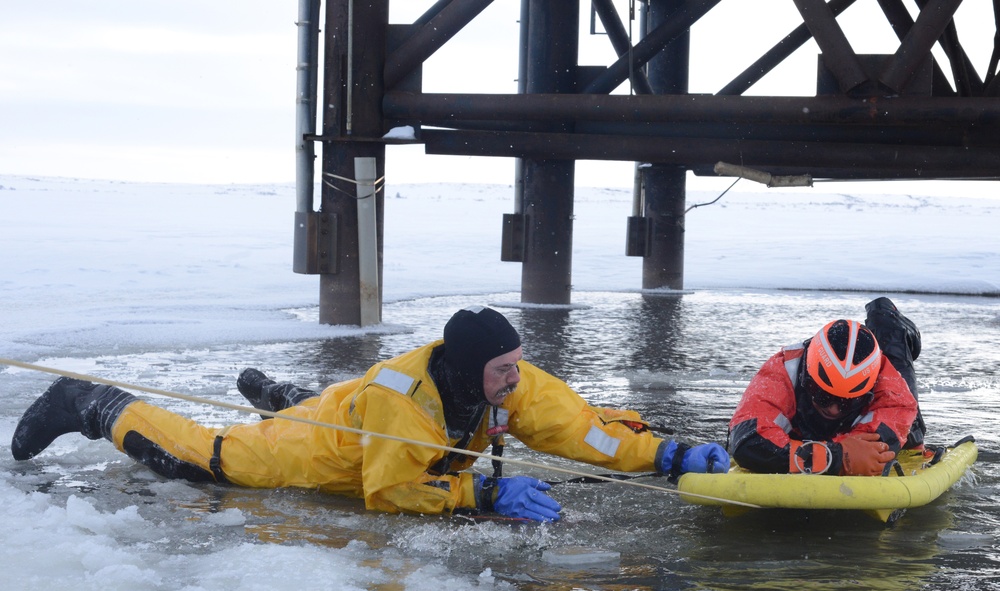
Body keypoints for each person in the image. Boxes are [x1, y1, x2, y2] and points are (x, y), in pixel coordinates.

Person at [11, 305, 729, 522]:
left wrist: (664, 453)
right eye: (504, 369)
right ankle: (93, 402)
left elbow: (583, 429)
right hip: (323, 449)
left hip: (357, 414)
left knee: (335, 406)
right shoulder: (403, 402)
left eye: (517, 365)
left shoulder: (504, 377)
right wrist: (483, 490)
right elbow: (391, 490)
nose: (516, 379)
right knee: (216, 458)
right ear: (470, 366)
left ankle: (281, 393)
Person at [728, 297, 924, 476]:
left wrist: (815, 457)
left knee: (912, 434)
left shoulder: (893, 392)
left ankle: (890, 322)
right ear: (807, 376)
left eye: (847, 401)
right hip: (810, 432)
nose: (833, 409)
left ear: (868, 392)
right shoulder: (782, 372)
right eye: (824, 395)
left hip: (884, 390)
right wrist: (836, 458)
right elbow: (747, 443)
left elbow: (872, 452)